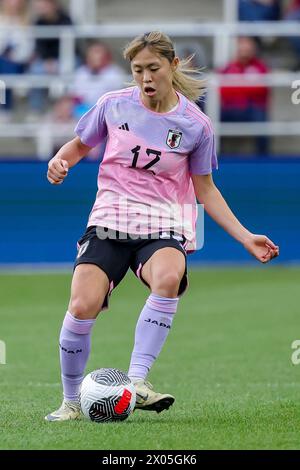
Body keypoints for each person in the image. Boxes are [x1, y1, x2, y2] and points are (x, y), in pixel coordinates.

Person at [45, 31, 279, 421]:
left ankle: (137, 380)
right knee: (82, 305)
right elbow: (78, 146)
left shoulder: (196, 125)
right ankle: (70, 401)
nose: (146, 77)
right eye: (137, 70)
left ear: (172, 65)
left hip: (163, 222)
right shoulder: (113, 105)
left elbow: (205, 189)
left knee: (169, 276)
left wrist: (244, 236)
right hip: (110, 220)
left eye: (153, 68)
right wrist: (60, 161)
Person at [219, 36, 270, 155]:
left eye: (248, 46)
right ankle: (212, 156)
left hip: (251, 108)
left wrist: (237, 87)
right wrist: (247, 86)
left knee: (260, 117)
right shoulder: (228, 67)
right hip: (230, 108)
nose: (245, 49)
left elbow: (262, 90)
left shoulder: (260, 67)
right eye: (242, 45)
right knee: (209, 119)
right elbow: (222, 90)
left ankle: (263, 157)